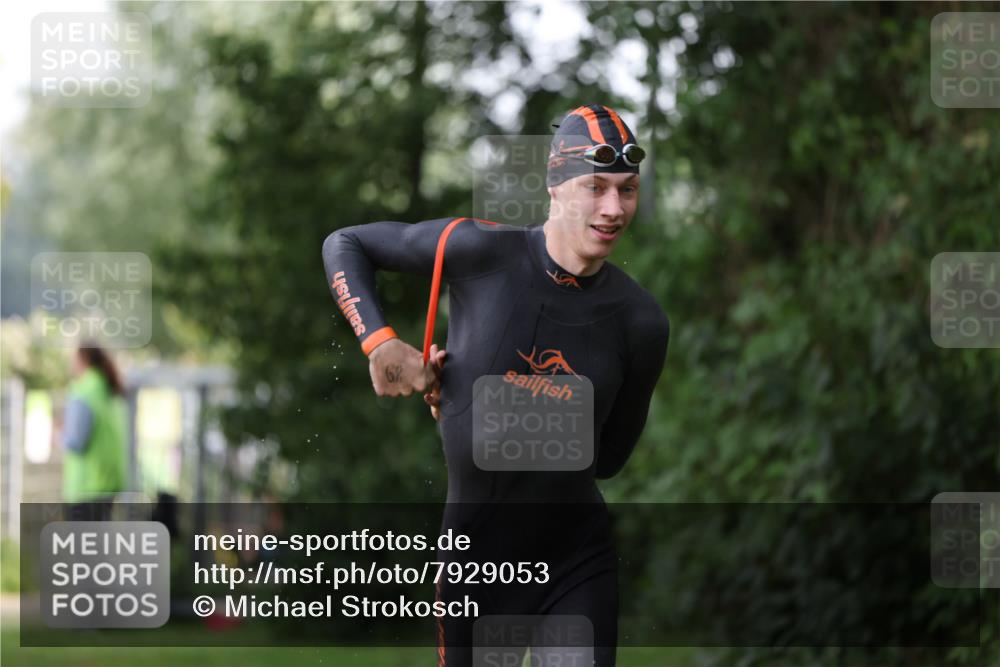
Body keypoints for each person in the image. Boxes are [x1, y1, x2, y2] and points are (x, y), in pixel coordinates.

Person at [323, 104, 669, 666]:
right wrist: (380, 341)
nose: (613, 209)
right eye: (595, 187)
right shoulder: (479, 250)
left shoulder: (641, 321)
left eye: (627, 190)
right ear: (555, 187)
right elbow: (345, 244)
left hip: (576, 561)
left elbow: (606, 460)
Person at [61, 344, 128, 522]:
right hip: (108, 484)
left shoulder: (83, 392)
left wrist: (57, 436)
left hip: (86, 486)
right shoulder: (110, 390)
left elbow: (75, 442)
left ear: (82, 361)